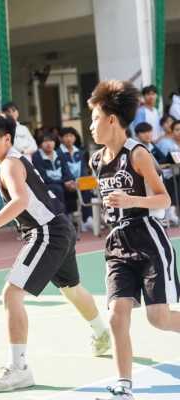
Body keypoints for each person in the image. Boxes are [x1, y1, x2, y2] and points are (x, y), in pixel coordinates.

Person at [0, 111, 111, 393]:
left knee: (11, 295)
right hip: (60, 226)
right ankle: (101, 333)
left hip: (47, 232)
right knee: (71, 288)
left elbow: (20, 201)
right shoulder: (15, 159)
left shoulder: (10, 164)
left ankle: (19, 369)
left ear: (7, 139)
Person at [87, 79, 180, 400]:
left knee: (159, 319)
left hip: (149, 239)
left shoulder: (138, 154)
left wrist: (131, 200)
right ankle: (123, 385)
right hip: (117, 244)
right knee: (116, 317)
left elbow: (164, 199)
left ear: (112, 119)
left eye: (95, 119)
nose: (91, 126)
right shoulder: (96, 160)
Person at [59, 127, 94, 231]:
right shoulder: (58, 153)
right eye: (66, 136)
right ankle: (70, 218)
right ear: (61, 138)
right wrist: (73, 182)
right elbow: (64, 171)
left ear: (75, 138)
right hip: (67, 183)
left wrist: (82, 181)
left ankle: (86, 220)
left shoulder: (79, 151)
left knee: (87, 188)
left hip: (79, 183)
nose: (69, 138)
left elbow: (84, 169)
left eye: (71, 136)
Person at [32, 132, 77, 214]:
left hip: (61, 183)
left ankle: (84, 217)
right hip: (46, 185)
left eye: (51, 141)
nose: (48, 143)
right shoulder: (37, 157)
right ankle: (63, 216)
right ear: (40, 144)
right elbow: (43, 178)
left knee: (76, 186)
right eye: (45, 141)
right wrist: (64, 183)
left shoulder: (59, 155)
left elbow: (66, 171)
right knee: (58, 189)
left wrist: (71, 181)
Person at [155, 120, 180, 225]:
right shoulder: (166, 144)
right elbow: (162, 162)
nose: (179, 132)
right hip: (167, 177)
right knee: (176, 183)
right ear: (172, 131)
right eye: (177, 130)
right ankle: (171, 213)